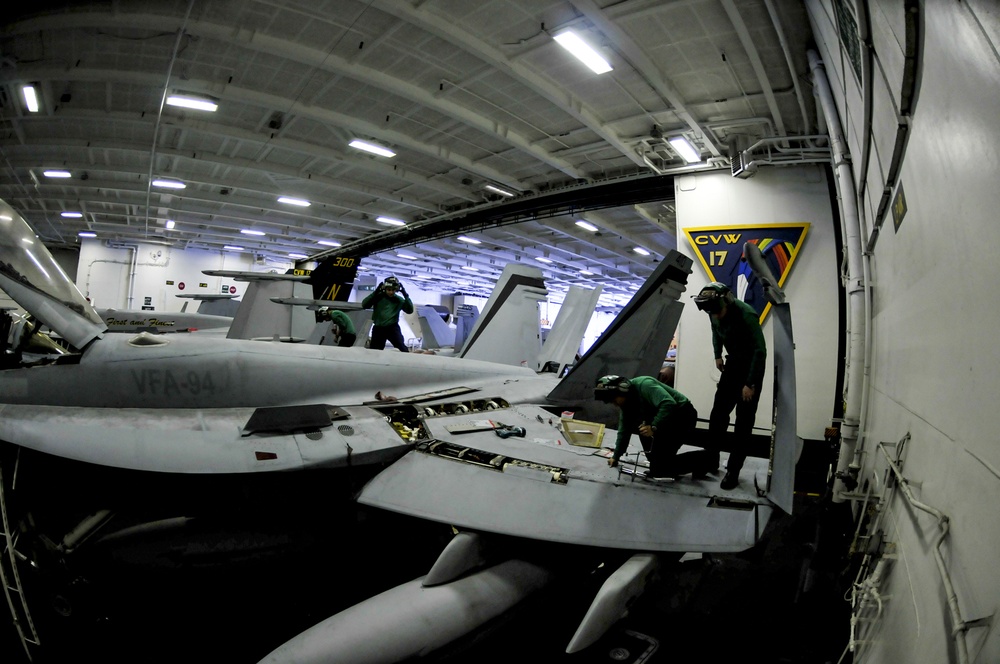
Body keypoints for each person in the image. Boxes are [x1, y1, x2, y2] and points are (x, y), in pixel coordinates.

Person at [692, 281, 767, 490]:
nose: (714, 315)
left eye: (716, 311)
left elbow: (760, 351)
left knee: (743, 424)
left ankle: (733, 471)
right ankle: (711, 460)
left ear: (727, 302)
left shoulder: (747, 315)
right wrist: (717, 354)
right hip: (733, 363)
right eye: (710, 312)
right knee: (717, 416)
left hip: (751, 366)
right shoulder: (712, 309)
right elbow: (715, 331)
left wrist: (750, 383)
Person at [594, 374, 716, 480]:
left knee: (660, 469)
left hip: (682, 416)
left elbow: (668, 403)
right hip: (665, 419)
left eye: (613, 400)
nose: (614, 404)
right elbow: (624, 430)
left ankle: (705, 458)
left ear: (622, 390)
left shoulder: (644, 385)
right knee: (655, 459)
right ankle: (666, 464)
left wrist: (653, 427)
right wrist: (616, 456)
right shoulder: (627, 404)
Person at [361, 275, 414, 351]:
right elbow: (364, 305)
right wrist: (376, 292)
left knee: (402, 349)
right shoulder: (378, 297)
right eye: (389, 290)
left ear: (396, 290)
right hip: (378, 328)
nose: (391, 292)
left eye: (393, 290)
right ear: (384, 288)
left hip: (392, 328)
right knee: (374, 352)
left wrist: (405, 295)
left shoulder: (399, 300)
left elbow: (409, 310)